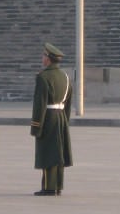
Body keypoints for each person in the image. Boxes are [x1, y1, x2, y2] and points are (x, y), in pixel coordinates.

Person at [30, 42, 73, 196]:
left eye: (43, 55)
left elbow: (39, 104)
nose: (42, 58)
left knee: (48, 152)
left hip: (48, 118)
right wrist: (65, 120)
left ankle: (48, 187)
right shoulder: (65, 77)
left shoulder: (43, 77)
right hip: (61, 117)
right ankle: (57, 186)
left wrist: (36, 126)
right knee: (58, 153)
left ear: (48, 59)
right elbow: (68, 102)